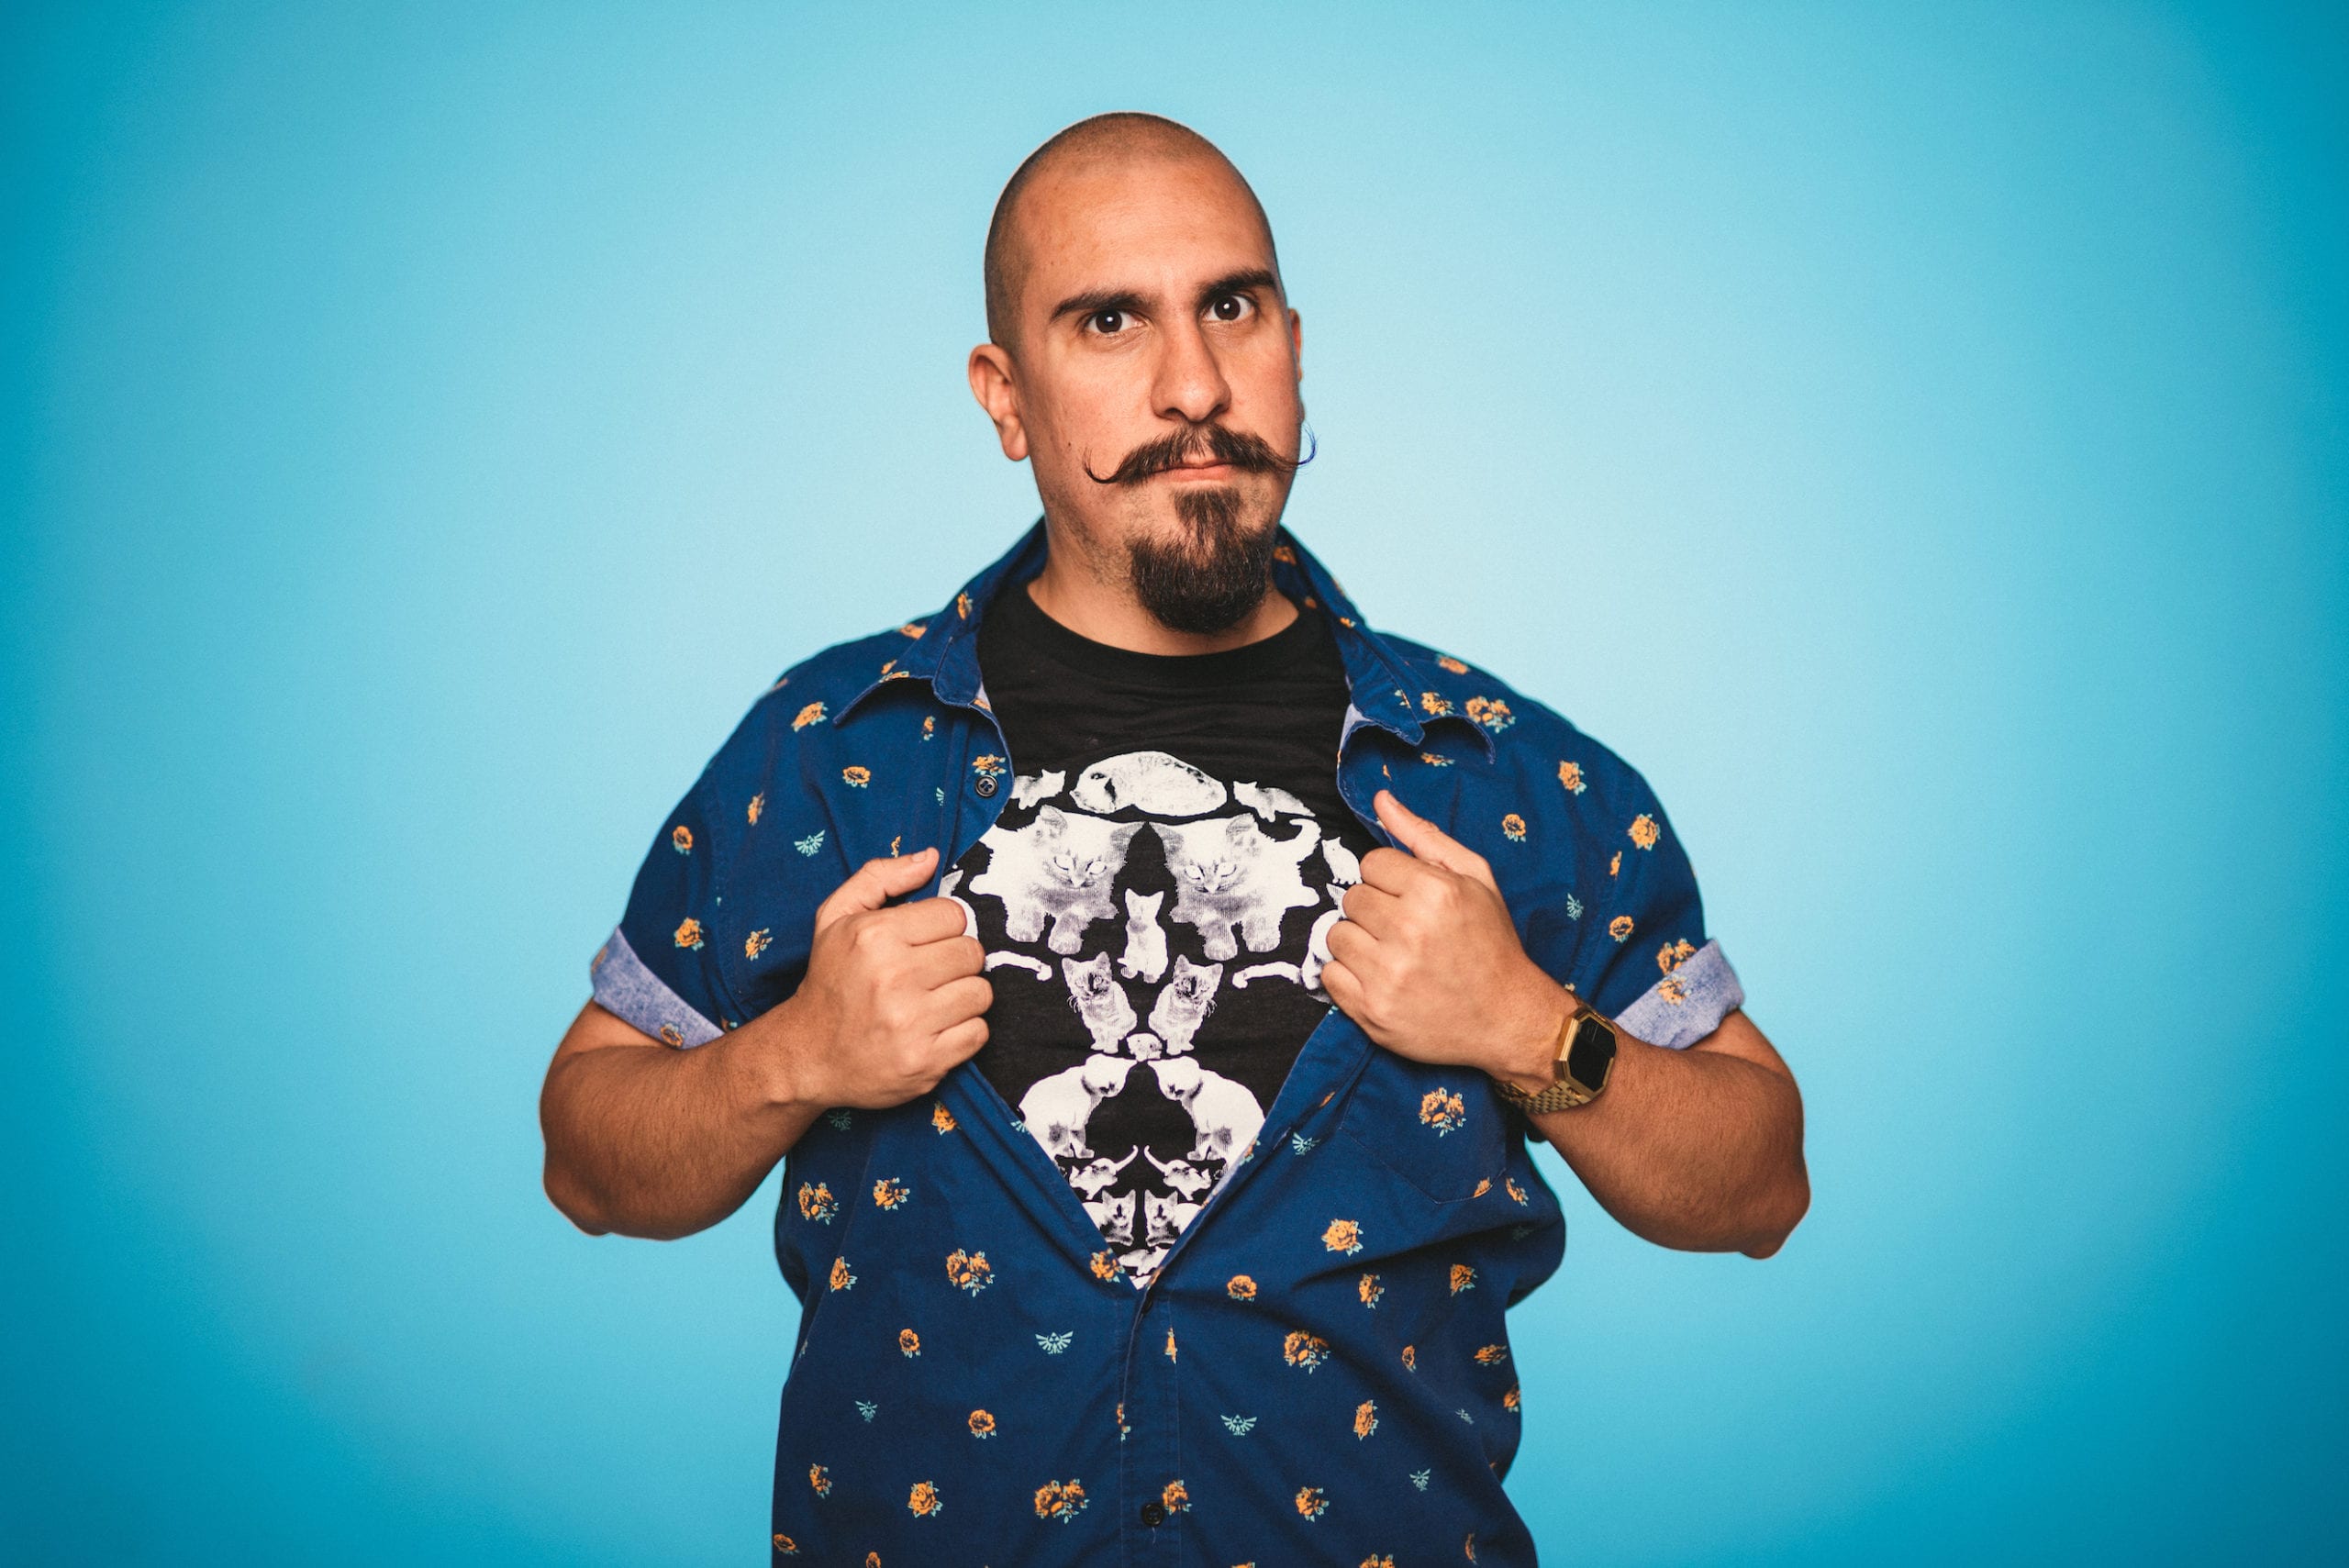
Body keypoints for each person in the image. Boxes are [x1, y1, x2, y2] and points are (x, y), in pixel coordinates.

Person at [540, 111, 1808, 1565]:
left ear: (1296, 343)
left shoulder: (1498, 770)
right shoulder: (834, 755)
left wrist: (1530, 1024)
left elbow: (1762, 1182)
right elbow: (587, 1155)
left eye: (1232, 306)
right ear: (1005, 397)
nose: (1195, 384)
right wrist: (794, 1057)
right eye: (1107, 321)